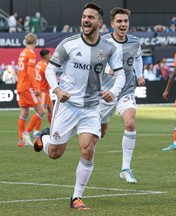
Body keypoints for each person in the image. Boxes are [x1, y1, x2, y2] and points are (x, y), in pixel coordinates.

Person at [33, 3, 125, 210]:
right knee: (55, 153)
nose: (86, 20)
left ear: (100, 23)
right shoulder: (68, 44)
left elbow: (121, 74)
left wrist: (114, 92)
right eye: (84, 16)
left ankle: (76, 197)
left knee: (88, 148)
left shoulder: (109, 49)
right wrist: (56, 90)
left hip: (91, 107)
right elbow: (50, 70)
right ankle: (44, 138)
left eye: (91, 17)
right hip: (67, 105)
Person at [100, 7, 145, 184]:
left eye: (125, 21)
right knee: (98, 134)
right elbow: (95, 61)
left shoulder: (134, 42)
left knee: (130, 122)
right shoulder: (102, 42)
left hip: (126, 90)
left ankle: (125, 168)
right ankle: (104, 121)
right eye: (119, 21)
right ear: (112, 24)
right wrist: (106, 69)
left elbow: (138, 58)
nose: (123, 24)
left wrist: (139, 74)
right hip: (105, 93)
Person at [17, 33, 46, 147]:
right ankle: (26, 133)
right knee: (41, 111)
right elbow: (30, 72)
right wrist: (36, 87)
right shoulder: (31, 54)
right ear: (35, 42)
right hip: (27, 87)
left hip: (20, 85)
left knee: (24, 113)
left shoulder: (22, 53)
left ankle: (21, 140)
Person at [33, 49, 53, 138]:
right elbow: (50, 76)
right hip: (43, 91)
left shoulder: (38, 64)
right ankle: (36, 131)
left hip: (45, 90)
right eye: (50, 54)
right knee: (42, 111)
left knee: (51, 110)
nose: (51, 56)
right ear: (46, 56)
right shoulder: (45, 66)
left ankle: (53, 129)